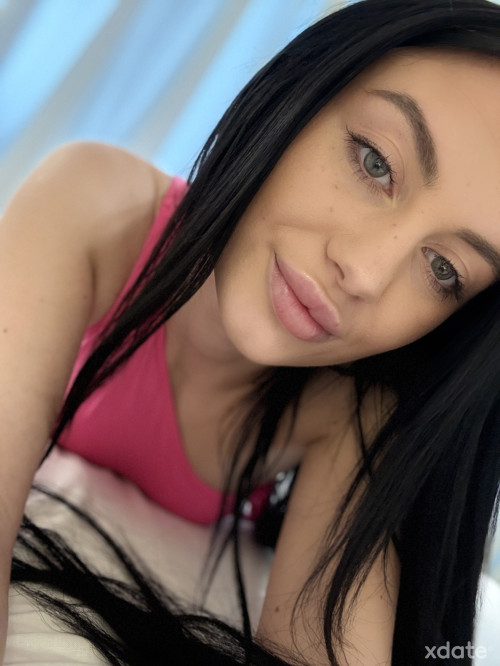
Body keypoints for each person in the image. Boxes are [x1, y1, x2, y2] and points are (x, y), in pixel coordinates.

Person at [4, 0, 500, 663]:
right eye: (375, 162)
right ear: (297, 93)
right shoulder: (95, 207)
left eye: (444, 269)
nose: (364, 272)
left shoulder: (350, 407)